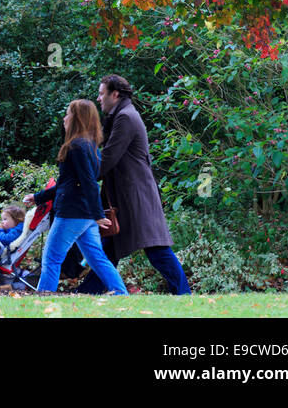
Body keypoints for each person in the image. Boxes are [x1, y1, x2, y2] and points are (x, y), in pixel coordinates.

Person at [75, 74, 191, 296]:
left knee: (156, 248)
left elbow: (108, 158)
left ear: (115, 94)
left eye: (101, 94)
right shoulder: (122, 115)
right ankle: (87, 291)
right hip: (127, 196)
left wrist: (82, 179)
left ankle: (184, 294)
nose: (98, 99)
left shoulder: (126, 118)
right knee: (110, 248)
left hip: (137, 196)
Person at [24, 98, 128, 295]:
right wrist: (38, 197)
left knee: (52, 258)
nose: (64, 118)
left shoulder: (76, 146)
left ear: (77, 118)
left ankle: (42, 301)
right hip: (86, 215)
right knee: (97, 258)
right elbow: (68, 183)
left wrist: (98, 214)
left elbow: (89, 182)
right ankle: (121, 294)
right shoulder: (91, 147)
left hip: (73, 214)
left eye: (68, 113)